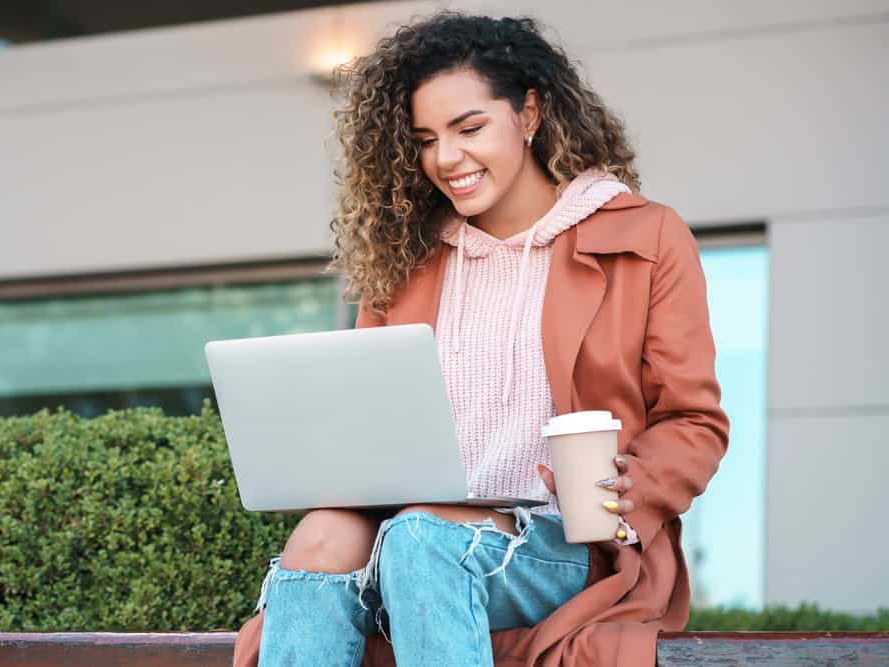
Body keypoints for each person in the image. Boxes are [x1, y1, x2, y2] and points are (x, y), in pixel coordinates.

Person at [234, 11, 728, 666]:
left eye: (469, 128)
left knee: (420, 539)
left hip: (560, 542)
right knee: (321, 537)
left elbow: (693, 419)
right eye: (426, 138)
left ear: (528, 113)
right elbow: (364, 431)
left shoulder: (645, 238)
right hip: (411, 532)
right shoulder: (405, 262)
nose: (446, 158)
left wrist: (629, 485)